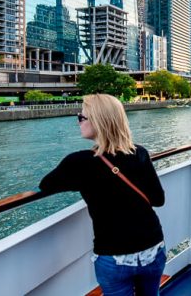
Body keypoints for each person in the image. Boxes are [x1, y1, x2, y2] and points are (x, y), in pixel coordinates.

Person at [39, 93, 166, 296]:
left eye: (82, 117)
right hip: (153, 247)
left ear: (98, 121)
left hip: (115, 256)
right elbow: (158, 200)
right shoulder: (139, 153)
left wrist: (86, 184)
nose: (78, 121)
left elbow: (46, 185)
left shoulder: (79, 163)